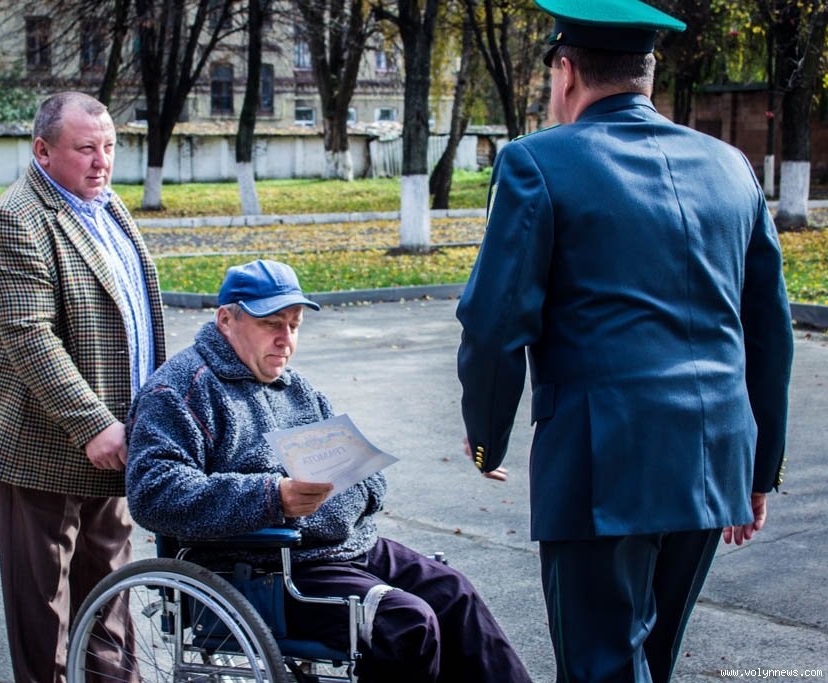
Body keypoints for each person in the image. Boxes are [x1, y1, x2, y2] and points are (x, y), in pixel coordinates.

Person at [456, 1, 795, 681]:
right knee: (652, 660)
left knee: (599, 667)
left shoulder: (537, 162)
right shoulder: (732, 166)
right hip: (713, 457)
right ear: (647, 73)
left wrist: (487, 434)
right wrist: (759, 470)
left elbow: (497, 320)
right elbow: (769, 330)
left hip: (602, 462)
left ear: (566, 70)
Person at [125, 259, 531, 683]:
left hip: (344, 546)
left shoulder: (296, 388)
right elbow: (155, 493)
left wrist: (361, 488)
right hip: (261, 567)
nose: (285, 340)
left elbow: (367, 475)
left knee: (453, 593)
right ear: (226, 320)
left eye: (294, 325)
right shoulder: (180, 390)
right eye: (271, 324)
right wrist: (273, 497)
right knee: (405, 624)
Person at [0, 91, 166, 682]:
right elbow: (29, 337)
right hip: (45, 446)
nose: (102, 161)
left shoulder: (105, 205)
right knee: (45, 613)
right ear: (43, 151)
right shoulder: (14, 220)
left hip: (119, 438)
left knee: (108, 596)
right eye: (85, 148)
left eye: (109, 146)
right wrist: (93, 424)